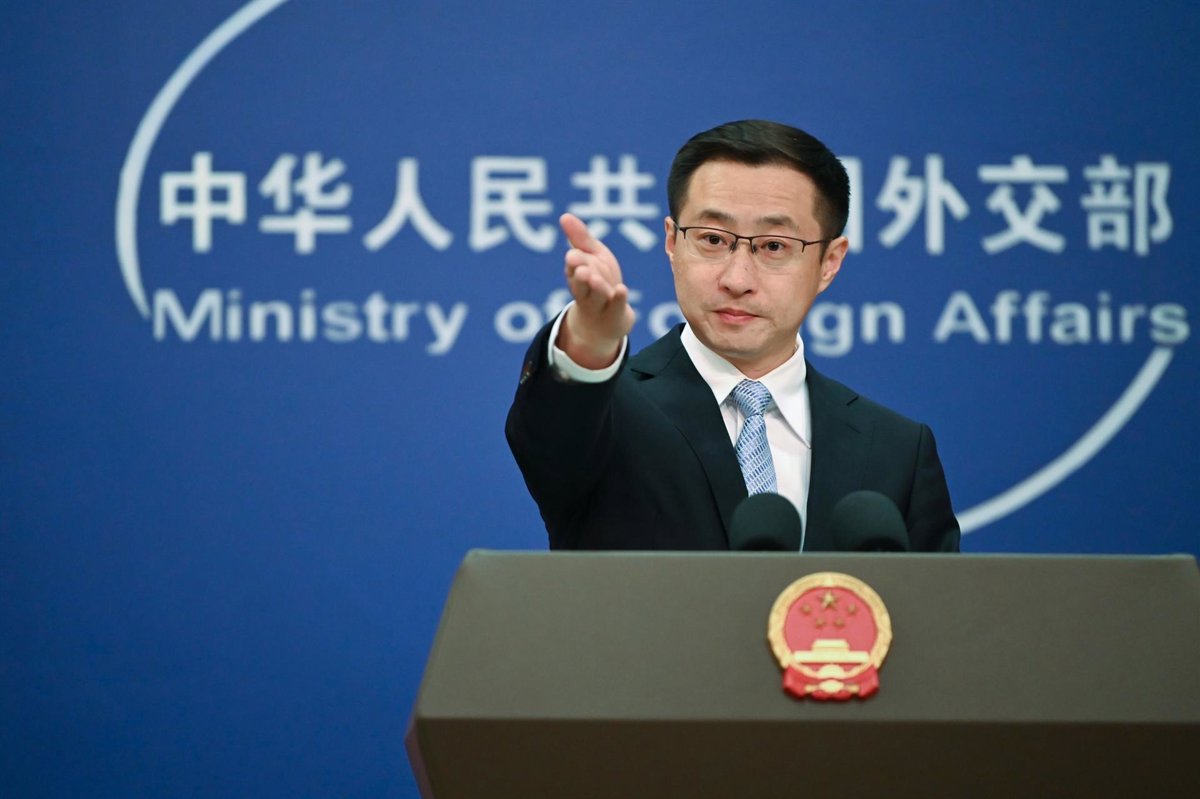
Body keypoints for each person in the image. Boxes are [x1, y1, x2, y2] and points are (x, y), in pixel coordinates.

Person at [506, 120, 959, 552]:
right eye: (713, 240)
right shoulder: (608, 414)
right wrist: (588, 341)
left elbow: (934, 604)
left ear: (829, 263)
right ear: (672, 242)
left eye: (774, 246)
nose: (737, 279)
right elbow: (550, 434)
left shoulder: (896, 451)